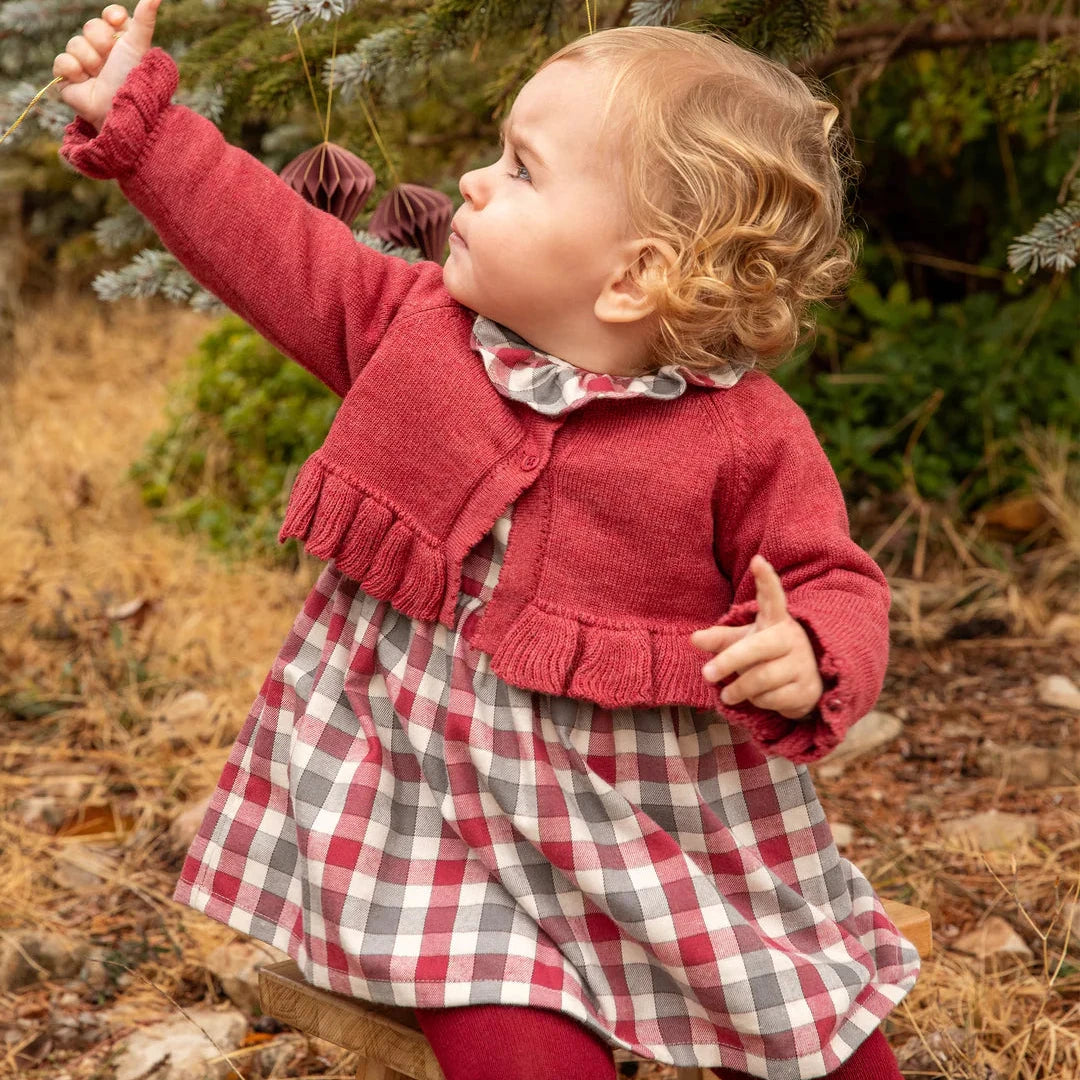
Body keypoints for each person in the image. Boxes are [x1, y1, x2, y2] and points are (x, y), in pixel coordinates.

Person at [53, 3, 921, 1078]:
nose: (469, 180)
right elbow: (271, 242)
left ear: (632, 276)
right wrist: (140, 126)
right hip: (431, 811)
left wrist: (811, 655)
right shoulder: (407, 327)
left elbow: (832, 577)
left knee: (820, 1032)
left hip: (648, 815)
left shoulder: (744, 434)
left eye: (520, 170)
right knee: (510, 1036)